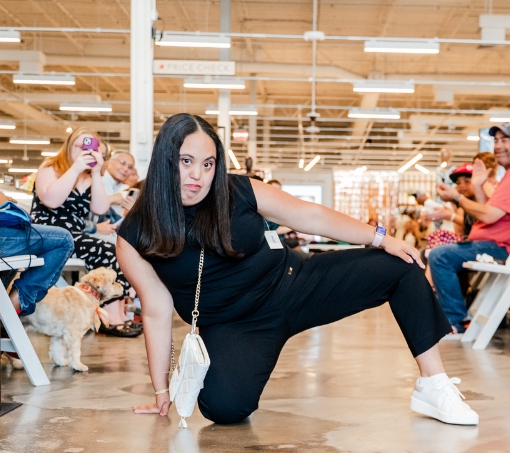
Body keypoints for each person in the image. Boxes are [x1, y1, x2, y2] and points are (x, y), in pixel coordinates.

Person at [117, 113, 479, 426]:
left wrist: (381, 238)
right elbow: (155, 310)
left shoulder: (238, 191)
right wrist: (161, 388)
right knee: (223, 409)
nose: (198, 175)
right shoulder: (136, 234)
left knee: (401, 263)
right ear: (166, 160)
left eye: (208, 164)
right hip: (234, 326)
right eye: (186, 161)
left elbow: (310, 215)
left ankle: (434, 384)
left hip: (295, 284)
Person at [428, 123, 510, 333]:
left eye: (505, 140)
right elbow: (490, 211)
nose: (498, 146)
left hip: (502, 247)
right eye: (496, 140)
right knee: (440, 253)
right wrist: (477, 185)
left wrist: (457, 197)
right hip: (499, 245)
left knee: (440, 256)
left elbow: (489, 215)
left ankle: (456, 321)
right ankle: (457, 319)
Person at [31, 127, 141, 338]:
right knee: (107, 251)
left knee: (118, 250)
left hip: (75, 236)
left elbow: (99, 208)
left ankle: (117, 316)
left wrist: (97, 172)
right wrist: (75, 168)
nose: (85, 151)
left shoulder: (89, 177)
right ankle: (109, 319)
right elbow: (52, 200)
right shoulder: (51, 167)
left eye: (90, 147)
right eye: (80, 146)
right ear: (69, 146)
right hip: (49, 235)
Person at [0, 191, 74, 315]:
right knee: (64, 240)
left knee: (15, 256)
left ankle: (1, 308)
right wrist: (1, 198)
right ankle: (16, 302)